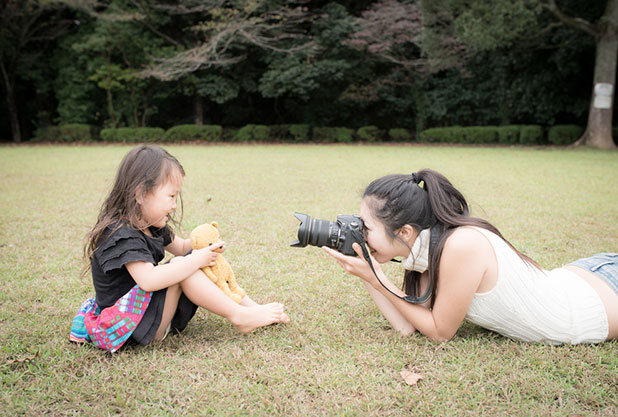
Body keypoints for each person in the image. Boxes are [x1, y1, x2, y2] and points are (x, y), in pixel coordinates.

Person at [323, 169, 617, 345]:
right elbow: (408, 327)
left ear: (404, 232)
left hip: (603, 296)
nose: (359, 232)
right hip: (583, 276)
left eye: (366, 228)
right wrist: (366, 272)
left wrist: (376, 277)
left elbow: (440, 333)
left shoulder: (460, 246)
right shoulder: (428, 251)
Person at [70, 145, 289, 352]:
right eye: (171, 196)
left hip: (150, 315)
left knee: (195, 257)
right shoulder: (120, 233)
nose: (175, 204)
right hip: (128, 326)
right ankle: (239, 316)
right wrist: (195, 259)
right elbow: (149, 280)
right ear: (141, 194)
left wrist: (204, 243)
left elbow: (184, 247)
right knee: (185, 265)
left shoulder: (151, 225)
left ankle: (250, 308)